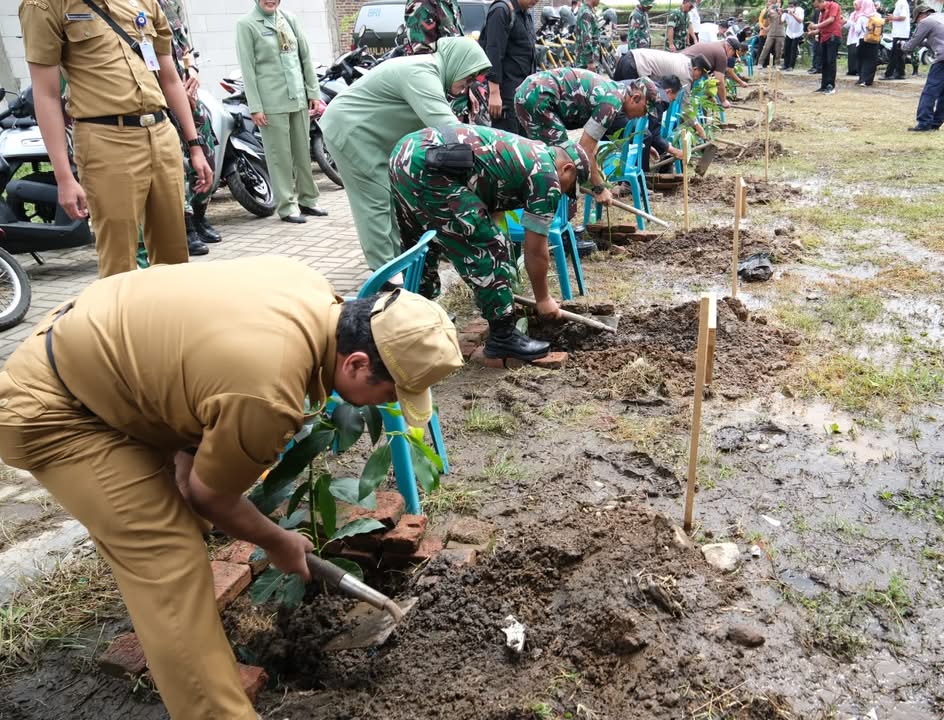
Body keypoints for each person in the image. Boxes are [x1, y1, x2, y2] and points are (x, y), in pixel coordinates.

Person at [0, 259, 462, 720]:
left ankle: (190, 637)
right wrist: (277, 540)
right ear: (357, 363)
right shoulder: (267, 392)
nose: (389, 405)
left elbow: (198, 381)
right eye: (390, 394)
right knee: (167, 556)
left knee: (188, 509)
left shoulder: (309, 288)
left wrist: (190, 471)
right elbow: (212, 496)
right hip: (57, 408)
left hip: (100, 355)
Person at [19, 0, 212, 278]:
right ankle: (121, 320)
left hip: (161, 134)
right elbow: (46, 95)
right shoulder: (46, 6)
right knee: (119, 259)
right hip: (105, 139)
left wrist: (195, 146)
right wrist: (64, 176)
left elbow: (169, 78)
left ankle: (167, 319)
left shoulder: (145, 2)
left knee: (174, 255)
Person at [389, 125, 588, 361]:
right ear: (566, 169)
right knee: (490, 247)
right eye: (570, 187)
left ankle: (415, 321)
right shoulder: (546, 177)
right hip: (430, 165)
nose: (564, 194)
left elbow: (487, 196)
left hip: (407, 153)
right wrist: (543, 299)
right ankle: (502, 337)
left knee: (423, 243)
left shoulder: (529, 153)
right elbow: (535, 250)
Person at [320, 38, 491, 275]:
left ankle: (395, 261)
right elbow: (450, 131)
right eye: (468, 77)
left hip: (370, 136)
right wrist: (498, 149)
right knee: (376, 200)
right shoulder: (421, 74)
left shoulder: (430, 73)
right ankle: (386, 274)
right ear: (457, 63)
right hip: (349, 130)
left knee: (390, 198)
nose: (468, 85)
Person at [236, 0, 326, 224]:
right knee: (280, 157)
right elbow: (247, 68)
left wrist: (313, 93)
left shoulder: (289, 19)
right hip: (271, 103)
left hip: (297, 98)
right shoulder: (246, 24)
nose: (270, 1)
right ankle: (287, 206)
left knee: (302, 153)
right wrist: (255, 106)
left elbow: (304, 57)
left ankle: (308, 199)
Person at [514, 68, 656, 207]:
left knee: (554, 159)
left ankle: (554, 215)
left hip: (533, 91)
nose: (643, 115)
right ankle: (551, 217)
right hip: (538, 96)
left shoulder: (616, 94)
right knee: (561, 162)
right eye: (645, 110)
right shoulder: (611, 104)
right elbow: (585, 148)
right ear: (636, 98)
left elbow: (591, 144)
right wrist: (599, 188)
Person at [158, 0, 220, 257]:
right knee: (178, 164)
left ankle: (200, 216)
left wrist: (192, 70)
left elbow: (184, 46)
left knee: (205, 154)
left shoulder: (171, 3)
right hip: (158, 97)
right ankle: (186, 227)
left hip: (185, 92)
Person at [480, 0, 538, 136]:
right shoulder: (501, 10)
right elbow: (493, 52)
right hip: (506, 96)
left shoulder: (525, 14)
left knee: (525, 146)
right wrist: (494, 93)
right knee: (509, 147)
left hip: (524, 94)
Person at [903, 4, 944, 131]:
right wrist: (924, 42)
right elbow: (941, 39)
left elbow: (910, 45)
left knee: (930, 90)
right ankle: (936, 123)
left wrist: (902, 46)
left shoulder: (926, 21)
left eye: (917, 20)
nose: (918, 23)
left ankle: (924, 123)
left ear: (921, 15)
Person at [614, 47, 713, 88]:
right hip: (634, 65)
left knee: (616, 90)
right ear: (695, 69)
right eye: (700, 75)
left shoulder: (685, 60)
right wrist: (697, 127)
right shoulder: (685, 74)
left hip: (630, 56)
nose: (698, 78)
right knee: (628, 98)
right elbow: (684, 103)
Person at [809, 0, 843, 92]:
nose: (817, 8)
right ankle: (824, 85)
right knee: (824, 61)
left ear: (821, 2)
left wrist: (816, 25)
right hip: (824, 37)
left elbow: (831, 19)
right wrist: (814, 32)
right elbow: (821, 27)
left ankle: (830, 85)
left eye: (817, 6)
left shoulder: (834, 5)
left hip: (833, 36)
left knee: (830, 61)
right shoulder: (822, 12)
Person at [883, 0, 910, 79]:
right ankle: (900, 73)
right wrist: (892, 18)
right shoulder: (900, 2)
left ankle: (889, 74)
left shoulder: (902, 2)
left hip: (900, 33)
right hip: (900, 32)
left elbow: (903, 17)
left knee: (894, 54)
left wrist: (892, 17)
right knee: (899, 55)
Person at [857, 5, 884, 85]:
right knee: (871, 61)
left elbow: (858, 30)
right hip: (875, 40)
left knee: (862, 60)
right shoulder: (878, 16)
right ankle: (868, 80)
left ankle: (861, 79)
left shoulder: (861, 17)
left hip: (863, 40)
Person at [846, 0, 874, 77]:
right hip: (864, 37)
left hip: (859, 37)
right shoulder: (853, 14)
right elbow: (848, 26)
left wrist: (852, 24)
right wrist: (846, 22)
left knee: (859, 55)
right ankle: (853, 70)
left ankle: (860, 72)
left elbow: (858, 29)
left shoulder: (861, 16)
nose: (854, 7)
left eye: (856, 5)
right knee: (853, 53)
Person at [575, 0, 602, 70]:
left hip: (587, 61)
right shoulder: (586, 13)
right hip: (585, 63)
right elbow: (586, 38)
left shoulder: (588, 10)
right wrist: (590, 61)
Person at [758, 1, 786, 68]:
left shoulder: (784, 12)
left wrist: (780, 14)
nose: (777, 4)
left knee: (779, 50)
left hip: (780, 33)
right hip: (771, 33)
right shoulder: (771, 11)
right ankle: (760, 63)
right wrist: (768, 9)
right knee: (766, 48)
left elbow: (781, 22)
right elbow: (764, 17)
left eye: (779, 2)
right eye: (777, 2)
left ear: (781, 4)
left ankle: (777, 64)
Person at [782, 0, 805, 70]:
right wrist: (781, 13)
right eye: (789, 6)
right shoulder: (787, 11)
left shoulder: (800, 10)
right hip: (789, 32)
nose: (790, 7)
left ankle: (791, 66)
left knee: (793, 49)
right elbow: (781, 21)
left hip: (797, 32)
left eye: (792, 6)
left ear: (795, 6)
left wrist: (793, 14)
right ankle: (785, 65)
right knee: (786, 48)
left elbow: (800, 20)